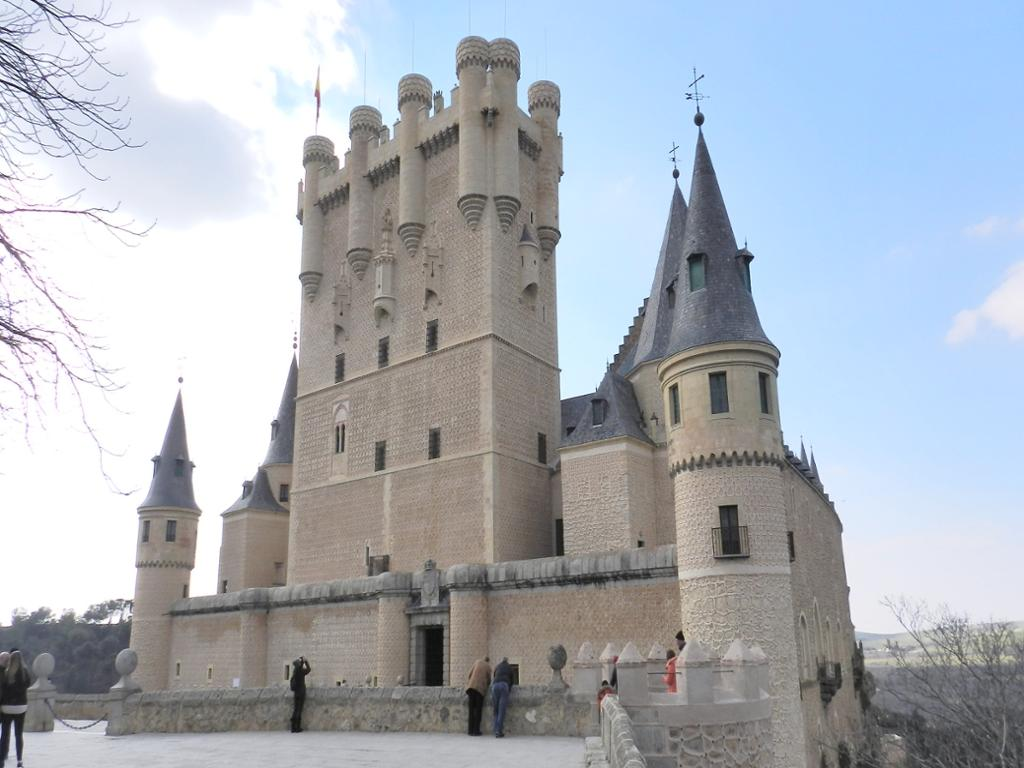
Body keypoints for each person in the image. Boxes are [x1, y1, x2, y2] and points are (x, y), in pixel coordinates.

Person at [1, 649, 31, 768]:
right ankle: (19, 761)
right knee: (18, 734)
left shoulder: (6, 672)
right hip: (20, 706)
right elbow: (27, 685)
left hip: (7, 706)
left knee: (4, 734)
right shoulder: (25, 673)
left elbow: (3, 688)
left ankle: (1, 760)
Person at [465, 656, 491, 736]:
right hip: (479, 690)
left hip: (471, 688)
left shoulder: (477, 662)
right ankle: (476, 731)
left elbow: (469, 674)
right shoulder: (488, 667)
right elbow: (489, 680)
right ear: (488, 661)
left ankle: (470, 730)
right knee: (478, 711)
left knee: (471, 710)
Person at [490, 657, 514, 738]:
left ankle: (495, 730)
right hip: (504, 685)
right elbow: (512, 680)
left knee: (496, 710)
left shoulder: (497, 666)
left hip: (495, 686)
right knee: (501, 710)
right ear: (507, 661)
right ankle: (498, 731)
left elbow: (494, 676)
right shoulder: (509, 667)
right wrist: (509, 690)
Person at [289, 656, 311, 733]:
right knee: (299, 709)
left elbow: (295, 663)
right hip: (301, 692)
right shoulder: (301, 671)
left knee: (295, 709)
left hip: (296, 692)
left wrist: (300, 659)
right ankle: (297, 727)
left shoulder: (295, 671)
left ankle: (293, 727)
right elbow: (309, 669)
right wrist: (306, 661)